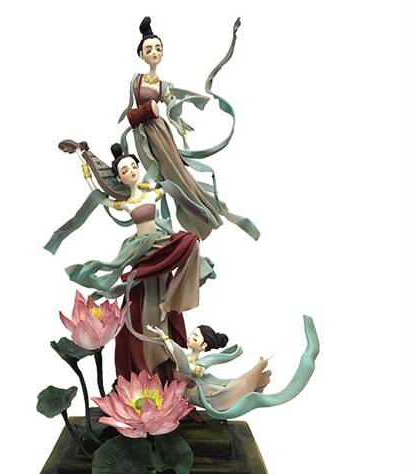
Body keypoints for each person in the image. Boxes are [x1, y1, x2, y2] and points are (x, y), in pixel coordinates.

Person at [44, 142, 215, 380]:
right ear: (119, 178)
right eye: (125, 170)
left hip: (160, 244)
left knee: (191, 242)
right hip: (141, 250)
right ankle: (147, 363)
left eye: (134, 166)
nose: (132, 171)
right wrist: (84, 162)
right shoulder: (125, 203)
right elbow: (98, 196)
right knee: (141, 300)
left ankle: (173, 299)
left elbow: (173, 181)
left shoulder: (153, 192)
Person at [118, 16, 260, 241]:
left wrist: (179, 123)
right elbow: (130, 107)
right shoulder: (136, 80)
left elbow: (170, 106)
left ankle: (199, 216)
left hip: (159, 132)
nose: (154, 52)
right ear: (141, 55)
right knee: (151, 172)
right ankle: (149, 217)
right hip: (140, 133)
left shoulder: (162, 86)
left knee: (175, 173)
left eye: (158, 48)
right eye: (149, 49)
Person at [146, 317, 319, 420]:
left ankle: (259, 367)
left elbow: (183, 363)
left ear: (203, 346)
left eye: (195, 337)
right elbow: (177, 356)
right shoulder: (188, 357)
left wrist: (165, 338)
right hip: (183, 395)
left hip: (202, 394)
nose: (190, 337)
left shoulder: (198, 364)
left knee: (236, 388)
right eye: (192, 334)